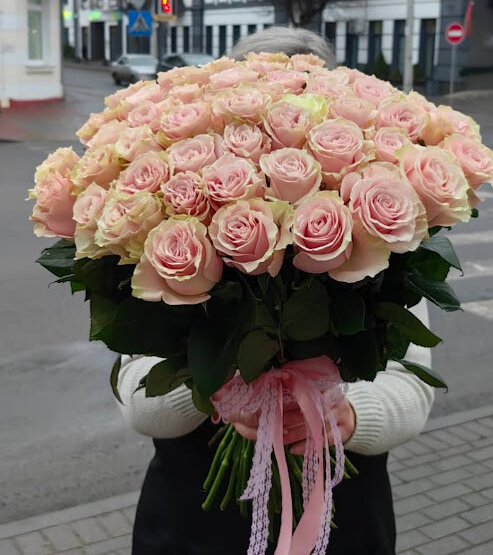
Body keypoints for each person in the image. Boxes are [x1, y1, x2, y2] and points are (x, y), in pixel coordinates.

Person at [117, 27, 435, 555]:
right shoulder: (167, 233)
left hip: (342, 521)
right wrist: (220, 387)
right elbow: (137, 399)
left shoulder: (385, 241)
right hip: (192, 524)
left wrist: (346, 417)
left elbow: (414, 385)